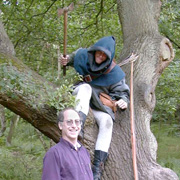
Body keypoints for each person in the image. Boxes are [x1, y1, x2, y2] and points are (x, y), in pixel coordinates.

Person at [60, 36, 137, 180]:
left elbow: (122, 92)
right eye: (99, 53)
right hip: (80, 94)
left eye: (104, 55)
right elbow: (71, 58)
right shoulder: (83, 54)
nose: (100, 56)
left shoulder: (115, 72)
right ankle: (78, 129)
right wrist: (66, 60)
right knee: (86, 88)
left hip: (97, 103)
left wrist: (123, 101)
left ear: (109, 57)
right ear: (94, 51)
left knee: (107, 121)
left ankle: (97, 168)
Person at [42, 108, 93, 180]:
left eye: (77, 122)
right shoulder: (54, 154)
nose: (74, 125)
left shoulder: (84, 152)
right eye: (69, 122)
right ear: (60, 125)